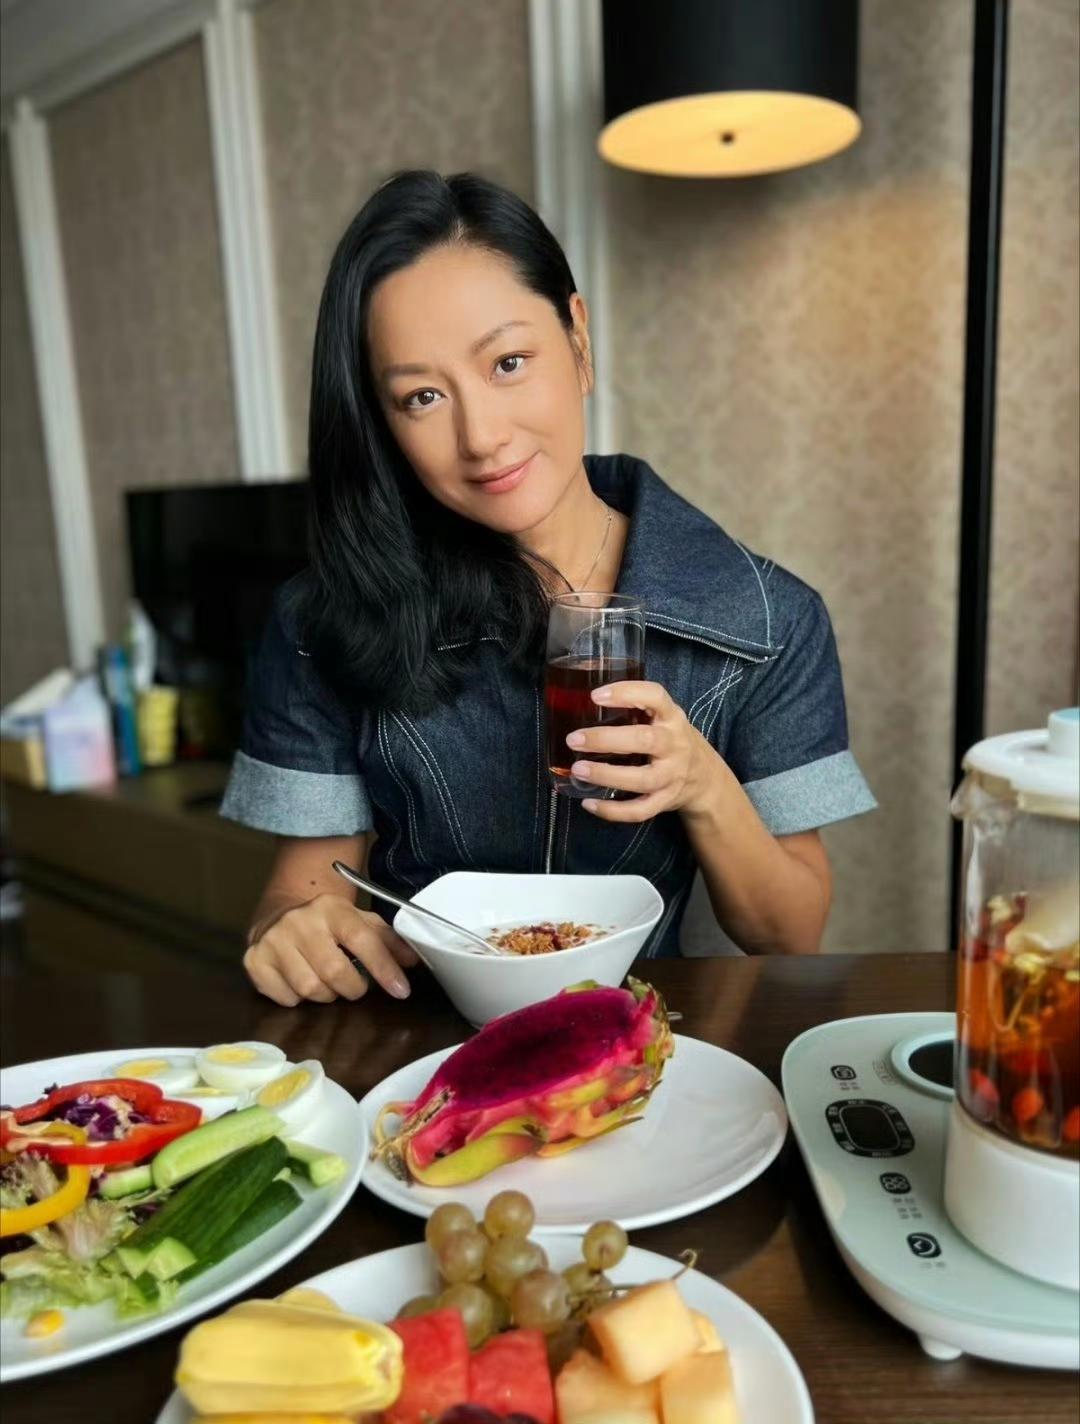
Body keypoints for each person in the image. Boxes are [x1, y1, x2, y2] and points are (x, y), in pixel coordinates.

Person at [223, 170, 876, 1008]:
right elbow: (304, 891)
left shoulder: (769, 618)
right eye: (422, 397)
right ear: (382, 423)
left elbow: (790, 936)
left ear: (578, 340)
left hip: (635, 1043)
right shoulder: (323, 618)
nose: (482, 436)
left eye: (508, 362)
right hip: (418, 1041)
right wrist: (292, 932)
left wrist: (701, 783)